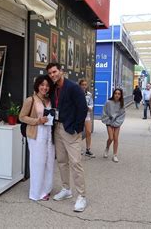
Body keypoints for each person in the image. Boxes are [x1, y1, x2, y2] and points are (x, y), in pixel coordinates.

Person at [46, 63, 88, 212]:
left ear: (61, 71)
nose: (52, 75)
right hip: (57, 127)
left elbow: (82, 108)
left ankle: (82, 196)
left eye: (54, 71)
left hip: (70, 129)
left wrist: (77, 128)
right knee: (62, 161)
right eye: (50, 73)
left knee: (75, 162)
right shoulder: (54, 88)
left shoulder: (73, 87)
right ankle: (66, 189)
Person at [19, 75, 55, 201]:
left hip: (49, 134)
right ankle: (36, 192)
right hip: (36, 134)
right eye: (42, 85)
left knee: (49, 162)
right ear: (38, 86)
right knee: (37, 163)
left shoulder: (49, 100)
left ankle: (46, 189)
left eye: (47, 85)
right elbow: (22, 117)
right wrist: (37, 120)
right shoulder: (31, 100)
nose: (45, 87)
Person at [101, 88, 126, 162]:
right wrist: (109, 121)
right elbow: (104, 112)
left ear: (121, 95)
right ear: (113, 94)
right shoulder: (108, 102)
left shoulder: (121, 104)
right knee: (111, 138)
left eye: (119, 94)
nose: (117, 95)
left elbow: (122, 115)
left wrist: (117, 123)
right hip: (109, 122)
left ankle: (115, 155)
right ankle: (107, 148)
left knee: (116, 138)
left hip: (117, 123)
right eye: (116, 93)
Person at [79, 79, 95, 157]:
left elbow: (91, 104)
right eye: (82, 85)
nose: (84, 86)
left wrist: (90, 107)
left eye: (85, 85)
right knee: (79, 132)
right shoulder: (77, 93)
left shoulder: (89, 94)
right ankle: (79, 149)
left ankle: (88, 149)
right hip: (79, 116)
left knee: (88, 132)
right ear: (80, 85)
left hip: (87, 115)